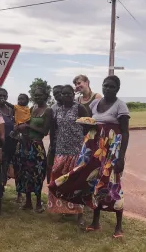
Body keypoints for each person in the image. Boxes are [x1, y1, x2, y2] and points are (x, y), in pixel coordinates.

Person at [49, 75, 130, 238]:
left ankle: (118, 225)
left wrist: (121, 157)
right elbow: (90, 125)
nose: (108, 89)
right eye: (105, 85)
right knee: (94, 182)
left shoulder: (121, 106)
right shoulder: (94, 104)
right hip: (95, 149)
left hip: (112, 150)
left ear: (117, 89)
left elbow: (125, 133)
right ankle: (95, 222)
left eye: (112, 86)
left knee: (113, 183)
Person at [47, 85, 89, 225]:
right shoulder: (57, 110)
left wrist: (84, 143)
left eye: (69, 94)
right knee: (58, 177)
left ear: (73, 94)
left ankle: (80, 214)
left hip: (76, 151)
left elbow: (89, 126)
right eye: (63, 94)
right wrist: (53, 147)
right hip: (60, 150)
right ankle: (65, 209)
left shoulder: (79, 108)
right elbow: (54, 130)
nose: (66, 96)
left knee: (77, 182)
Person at [13, 86, 53, 213]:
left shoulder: (48, 111)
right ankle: (28, 201)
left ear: (46, 96)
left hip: (37, 146)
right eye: (35, 95)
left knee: (38, 173)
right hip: (25, 144)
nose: (37, 97)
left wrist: (28, 126)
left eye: (40, 95)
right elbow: (24, 124)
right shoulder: (32, 108)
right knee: (25, 172)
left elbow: (45, 131)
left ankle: (39, 203)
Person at [0, 88, 21, 202]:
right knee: (2, 169)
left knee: (16, 168)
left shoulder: (12, 110)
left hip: (13, 143)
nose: (2, 98)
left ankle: (19, 194)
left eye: (4, 96)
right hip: (1, 144)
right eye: (0, 95)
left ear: (7, 97)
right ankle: (0, 192)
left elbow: (18, 122)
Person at [47, 85, 64, 183]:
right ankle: (51, 188)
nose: (57, 95)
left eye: (59, 93)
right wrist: (52, 144)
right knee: (51, 166)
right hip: (56, 142)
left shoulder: (74, 105)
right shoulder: (52, 108)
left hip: (70, 144)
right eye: (55, 94)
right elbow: (52, 128)